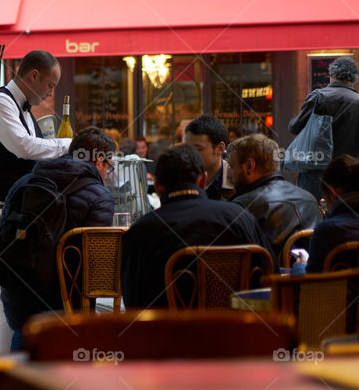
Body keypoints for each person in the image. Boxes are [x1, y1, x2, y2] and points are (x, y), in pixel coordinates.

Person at [0, 49, 71, 355]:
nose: (50, 92)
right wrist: (69, 145)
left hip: (16, 213)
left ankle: (10, 370)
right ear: (34, 76)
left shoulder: (26, 111)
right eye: (50, 85)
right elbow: (24, 148)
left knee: (13, 296)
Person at [0, 127, 115, 351]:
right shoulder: (100, 196)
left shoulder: (24, 181)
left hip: (15, 292)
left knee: (24, 338)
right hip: (66, 301)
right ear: (99, 161)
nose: (107, 173)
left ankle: (21, 381)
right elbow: (96, 267)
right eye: (109, 167)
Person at [121, 145, 275, 309]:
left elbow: (133, 302)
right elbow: (270, 277)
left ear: (158, 187)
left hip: (166, 331)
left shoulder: (141, 231)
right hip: (235, 330)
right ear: (202, 180)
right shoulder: (239, 218)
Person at [227, 134, 321, 255]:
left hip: (267, 273)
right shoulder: (311, 199)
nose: (229, 174)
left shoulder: (241, 207)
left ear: (250, 166)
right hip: (314, 273)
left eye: (231, 166)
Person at [289, 56, 359, 200]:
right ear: (354, 79)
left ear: (331, 75)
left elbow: (295, 127)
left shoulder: (318, 98)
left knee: (312, 212)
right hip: (350, 173)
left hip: (316, 173)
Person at [306, 155, 359, 273]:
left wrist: (299, 267)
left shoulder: (327, 232)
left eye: (325, 199)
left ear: (334, 192)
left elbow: (312, 284)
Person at [184, 115, 234, 200]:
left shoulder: (236, 180)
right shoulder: (180, 181)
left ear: (220, 149)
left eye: (197, 149)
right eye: (187, 148)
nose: (189, 154)